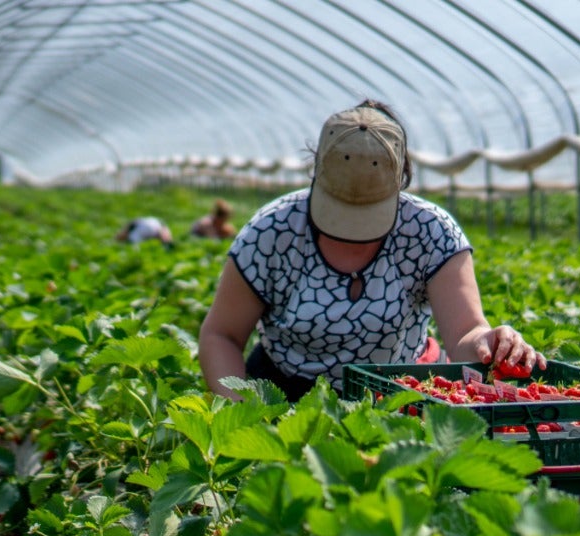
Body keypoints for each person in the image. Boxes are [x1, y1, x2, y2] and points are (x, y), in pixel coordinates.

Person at [198, 99, 546, 402]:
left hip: (398, 395)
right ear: (316, 173)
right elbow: (221, 334)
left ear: (401, 180)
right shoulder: (273, 231)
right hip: (285, 392)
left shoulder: (431, 232)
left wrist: (490, 341)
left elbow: (465, 334)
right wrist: (243, 411)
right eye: (340, 211)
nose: (353, 232)